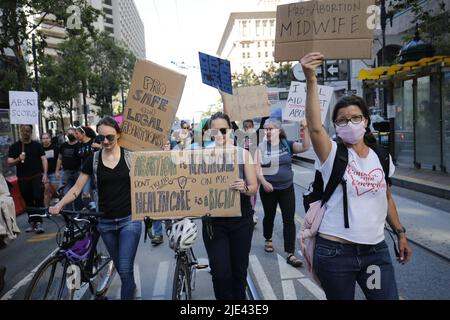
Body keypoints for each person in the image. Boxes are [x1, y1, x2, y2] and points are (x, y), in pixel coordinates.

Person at [301, 52, 412, 300]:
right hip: (335, 253)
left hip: (375, 251)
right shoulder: (331, 154)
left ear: (366, 121)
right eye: (342, 120)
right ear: (336, 126)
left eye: (355, 118)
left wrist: (400, 233)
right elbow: (314, 126)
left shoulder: (381, 156)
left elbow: (387, 197)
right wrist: (311, 79)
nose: (349, 123)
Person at [50, 116, 141, 300]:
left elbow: (154, 176)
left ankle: (129, 291)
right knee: (122, 269)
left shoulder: (131, 157)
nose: (105, 141)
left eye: (110, 137)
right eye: (101, 138)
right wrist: (59, 205)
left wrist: (165, 152)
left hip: (129, 221)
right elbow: (76, 188)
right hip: (105, 224)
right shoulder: (94, 160)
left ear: (119, 135)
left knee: (124, 269)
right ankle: (131, 289)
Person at [202, 112, 258, 300]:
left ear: (231, 130)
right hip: (213, 223)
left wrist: (244, 187)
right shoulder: (202, 156)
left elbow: (253, 187)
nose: (220, 135)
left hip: (241, 220)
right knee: (220, 273)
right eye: (215, 130)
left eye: (223, 130)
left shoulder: (243, 154)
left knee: (238, 272)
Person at [255, 118, 310, 267]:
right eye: (265, 129)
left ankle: (290, 253)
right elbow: (257, 168)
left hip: (287, 188)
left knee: (289, 220)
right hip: (268, 189)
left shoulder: (287, 144)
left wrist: (305, 128)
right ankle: (268, 239)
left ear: (278, 131)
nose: (267, 131)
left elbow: (305, 147)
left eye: (271, 128)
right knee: (269, 216)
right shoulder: (260, 147)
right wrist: (264, 182)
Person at [7, 125, 48, 234]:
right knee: (28, 199)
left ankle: (39, 222)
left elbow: (43, 159)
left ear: (31, 132)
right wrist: (18, 159)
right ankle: (32, 221)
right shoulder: (15, 147)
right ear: (20, 131)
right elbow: (10, 162)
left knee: (38, 196)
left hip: (36, 175)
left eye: (28, 131)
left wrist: (45, 174)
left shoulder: (37, 145)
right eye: (24, 131)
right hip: (23, 178)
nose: (26, 133)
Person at [55, 128, 82, 210]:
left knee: (77, 193)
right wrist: (57, 171)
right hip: (66, 173)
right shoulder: (63, 145)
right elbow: (59, 158)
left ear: (75, 134)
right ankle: (69, 213)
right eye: (68, 133)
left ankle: (78, 212)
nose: (70, 134)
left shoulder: (80, 145)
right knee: (66, 193)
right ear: (66, 134)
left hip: (78, 172)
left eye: (72, 133)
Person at [75, 126, 98, 209]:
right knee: (85, 193)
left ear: (83, 133)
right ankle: (92, 210)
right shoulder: (79, 145)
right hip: (86, 172)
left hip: (96, 171)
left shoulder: (94, 141)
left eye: (77, 134)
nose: (75, 136)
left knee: (96, 192)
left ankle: (97, 210)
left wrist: (99, 146)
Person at [41, 132, 60, 207]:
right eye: (43, 138)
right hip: (44, 173)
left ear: (50, 139)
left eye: (47, 138)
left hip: (54, 172)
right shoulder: (40, 148)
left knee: (56, 191)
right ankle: (46, 209)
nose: (45, 140)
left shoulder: (56, 148)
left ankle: (58, 204)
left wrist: (57, 171)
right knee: (46, 190)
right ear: (41, 140)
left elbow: (60, 159)